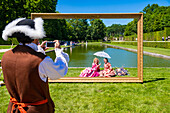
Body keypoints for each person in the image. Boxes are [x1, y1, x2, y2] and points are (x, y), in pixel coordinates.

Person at [1, 18, 69, 113]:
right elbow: (59, 71)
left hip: (13, 109)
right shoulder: (40, 60)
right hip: (36, 110)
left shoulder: (6, 56)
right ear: (36, 36)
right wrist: (58, 52)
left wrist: (39, 51)